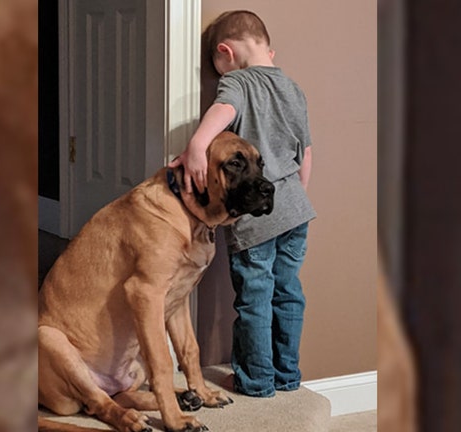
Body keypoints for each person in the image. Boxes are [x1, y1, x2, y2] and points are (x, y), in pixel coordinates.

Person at [169, 10, 316, 398]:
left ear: (225, 53)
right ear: (270, 50)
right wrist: (294, 199)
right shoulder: (293, 88)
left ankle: (256, 381)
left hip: (257, 220)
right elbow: (307, 156)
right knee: (288, 292)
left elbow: (224, 111)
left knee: (255, 296)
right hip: (297, 210)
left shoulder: (238, 82)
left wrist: (198, 145)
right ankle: (287, 375)